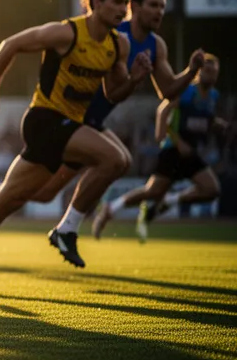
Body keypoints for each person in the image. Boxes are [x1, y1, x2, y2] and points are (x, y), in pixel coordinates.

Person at [0, 0, 152, 290]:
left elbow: (112, 94)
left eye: (127, 3)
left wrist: (134, 79)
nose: (124, 10)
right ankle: (67, 229)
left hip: (69, 127)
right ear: (95, 3)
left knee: (13, 197)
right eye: (117, 2)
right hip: (45, 120)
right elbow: (11, 44)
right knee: (116, 159)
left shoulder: (117, 45)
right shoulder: (66, 33)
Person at [0, 0, 205, 233]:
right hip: (66, 119)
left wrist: (191, 71)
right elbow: (18, 44)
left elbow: (167, 91)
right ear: (135, 7)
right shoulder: (110, 32)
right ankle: (67, 230)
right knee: (115, 161)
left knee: (46, 193)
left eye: (162, 7)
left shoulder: (152, 45)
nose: (159, 12)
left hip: (90, 122)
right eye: (153, 5)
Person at [96, 55, 227, 241]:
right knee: (152, 192)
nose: (211, 75)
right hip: (173, 150)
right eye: (207, 71)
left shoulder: (214, 96)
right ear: (199, 72)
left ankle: (170, 200)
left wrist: (217, 123)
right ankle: (112, 207)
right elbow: (163, 110)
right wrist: (167, 137)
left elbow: (205, 118)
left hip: (191, 152)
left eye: (214, 72)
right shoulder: (187, 92)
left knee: (212, 190)